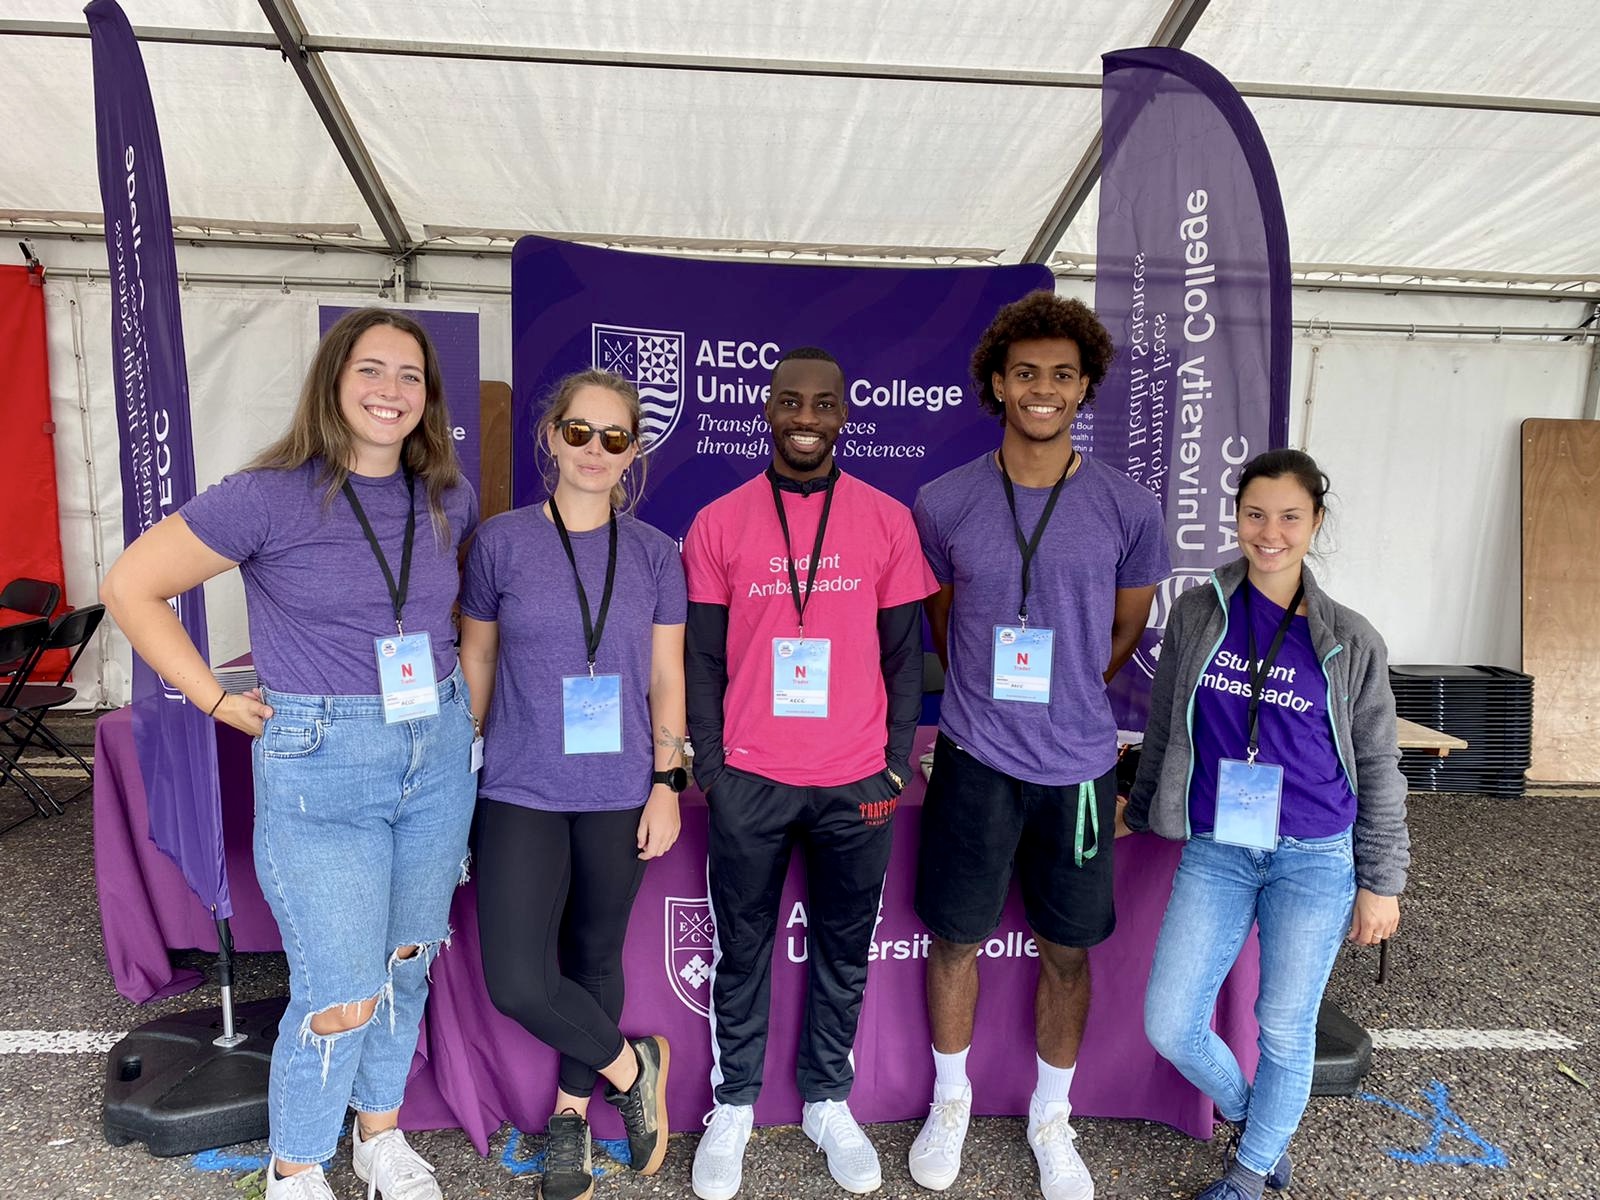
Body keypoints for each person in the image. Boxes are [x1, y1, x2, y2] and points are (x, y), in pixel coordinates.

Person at [101, 308, 479, 1200]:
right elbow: (131, 586)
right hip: (325, 758)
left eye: (410, 377)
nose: (391, 392)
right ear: (333, 382)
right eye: (372, 371)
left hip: (436, 740)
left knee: (407, 958)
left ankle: (378, 1134)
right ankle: (297, 1162)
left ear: (429, 398)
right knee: (339, 983)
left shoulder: (446, 496)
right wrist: (215, 699)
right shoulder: (266, 494)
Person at [909, 291, 1168, 1200]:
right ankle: (951, 1102)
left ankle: (1051, 1120)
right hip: (975, 759)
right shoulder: (942, 501)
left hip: (1082, 771)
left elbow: (1126, 631)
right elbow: (941, 621)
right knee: (955, 939)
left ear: (1085, 385)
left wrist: (1064, 698)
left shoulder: (1128, 509)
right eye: (1027, 374)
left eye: (1062, 375)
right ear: (996, 382)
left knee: (1068, 950)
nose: (1044, 390)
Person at [683, 346, 935, 1200]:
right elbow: (703, 659)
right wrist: (712, 767)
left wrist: (893, 767)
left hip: (856, 782)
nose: (804, 417)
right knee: (742, 948)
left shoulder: (885, 518)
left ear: (843, 415)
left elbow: (907, 658)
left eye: (821, 404)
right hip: (749, 778)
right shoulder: (719, 520)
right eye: (789, 401)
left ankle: (829, 1099)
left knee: (842, 951)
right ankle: (735, 1106)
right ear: (766, 409)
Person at [1124, 448, 1409, 1200]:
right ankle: (1261, 1120)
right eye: (1255, 515)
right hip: (1220, 847)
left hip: (1314, 856)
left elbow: (1381, 768)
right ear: (1236, 518)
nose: (1270, 532)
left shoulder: (1351, 639)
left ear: (1315, 523)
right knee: (1169, 1022)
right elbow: (1164, 727)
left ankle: (1250, 1173)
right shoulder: (1198, 612)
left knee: (1285, 1029)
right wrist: (1142, 802)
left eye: (1289, 516)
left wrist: (1382, 882)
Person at [459, 369, 685, 1200]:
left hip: (620, 787)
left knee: (593, 954)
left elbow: (666, 675)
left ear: (634, 452)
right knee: (518, 978)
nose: (596, 450)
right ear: (550, 435)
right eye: (580, 432)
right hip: (519, 784)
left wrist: (667, 778)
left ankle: (568, 1118)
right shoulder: (501, 542)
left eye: (615, 437)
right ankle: (634, 1068)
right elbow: (477, 657)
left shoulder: (659, 552)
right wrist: (460, 761)